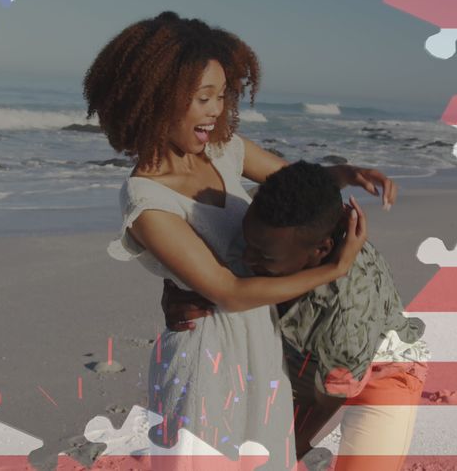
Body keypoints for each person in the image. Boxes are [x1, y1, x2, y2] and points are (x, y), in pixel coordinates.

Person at [84, 11, 396, 470]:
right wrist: (331, 269)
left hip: (261, 342)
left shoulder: (224, 149)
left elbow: (293, 183)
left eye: (222, 95)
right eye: (203, 97)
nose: (216, 109)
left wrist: (344, 174)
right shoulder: (147, 201)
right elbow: (227, 291)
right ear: (153, 98)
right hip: (204, 354)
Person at [163, 161, 429, 471]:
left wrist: (287, 449)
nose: (247, 258)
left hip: (382, 369)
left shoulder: (347, 308)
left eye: (263, 256)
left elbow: (327, 397)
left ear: (320, 251)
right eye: (249, 243)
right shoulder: (268, 221)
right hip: (301, 357)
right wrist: (179, 293)